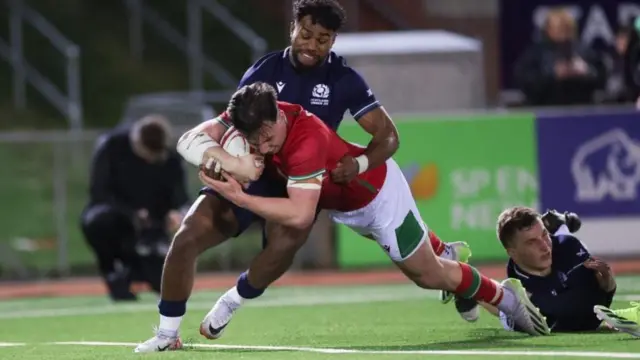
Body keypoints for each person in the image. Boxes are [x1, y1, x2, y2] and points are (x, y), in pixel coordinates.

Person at [134, 0, 470, 352]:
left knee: (304, 242)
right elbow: (220, 128)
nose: (312, 45)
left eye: (323, 39)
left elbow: (388, 137)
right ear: (292, 29)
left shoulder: (344, 80)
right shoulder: (264, 72)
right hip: (254, 174)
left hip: (302, 183)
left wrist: (359, 165)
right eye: (306, 34)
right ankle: (167, 333)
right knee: (187, 235)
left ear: (334, 41)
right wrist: (225, 161)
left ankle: (234, 300)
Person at [166, 83, 548, 351]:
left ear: (278, 115)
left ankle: (505, 298)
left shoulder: (305, 140)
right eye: (255, 140)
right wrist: (233, 160)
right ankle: (444, 250)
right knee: (427, 258)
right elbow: (188, 140)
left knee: (428, 275)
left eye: (267, 137)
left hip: (378, 199)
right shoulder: (255, 112)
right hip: (343, 204)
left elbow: (300, 216)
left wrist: (239, 195)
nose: (262, 147)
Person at [452, 207, 640, 335]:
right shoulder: (522, 291)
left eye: (544, 235)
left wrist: (608, 283)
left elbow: (599, 296)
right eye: (531, 242)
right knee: (509, 309)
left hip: (562, 259)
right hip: (529, 298)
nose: (544, 246)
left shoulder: (565, 246)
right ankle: (467, 285)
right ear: (512, 253)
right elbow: (571, 313)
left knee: (564, 241)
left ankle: (557, 223)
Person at [80, 114, 189, 301]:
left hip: (153, 227)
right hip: (117, 219)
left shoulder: (169, 158)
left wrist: (178, 214)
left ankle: (141, 271)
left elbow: (180, 197)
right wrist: (131, 213)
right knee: (98, 222)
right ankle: (115, 273)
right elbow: (99, 191)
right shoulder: (111, 147)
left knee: (166, 284)